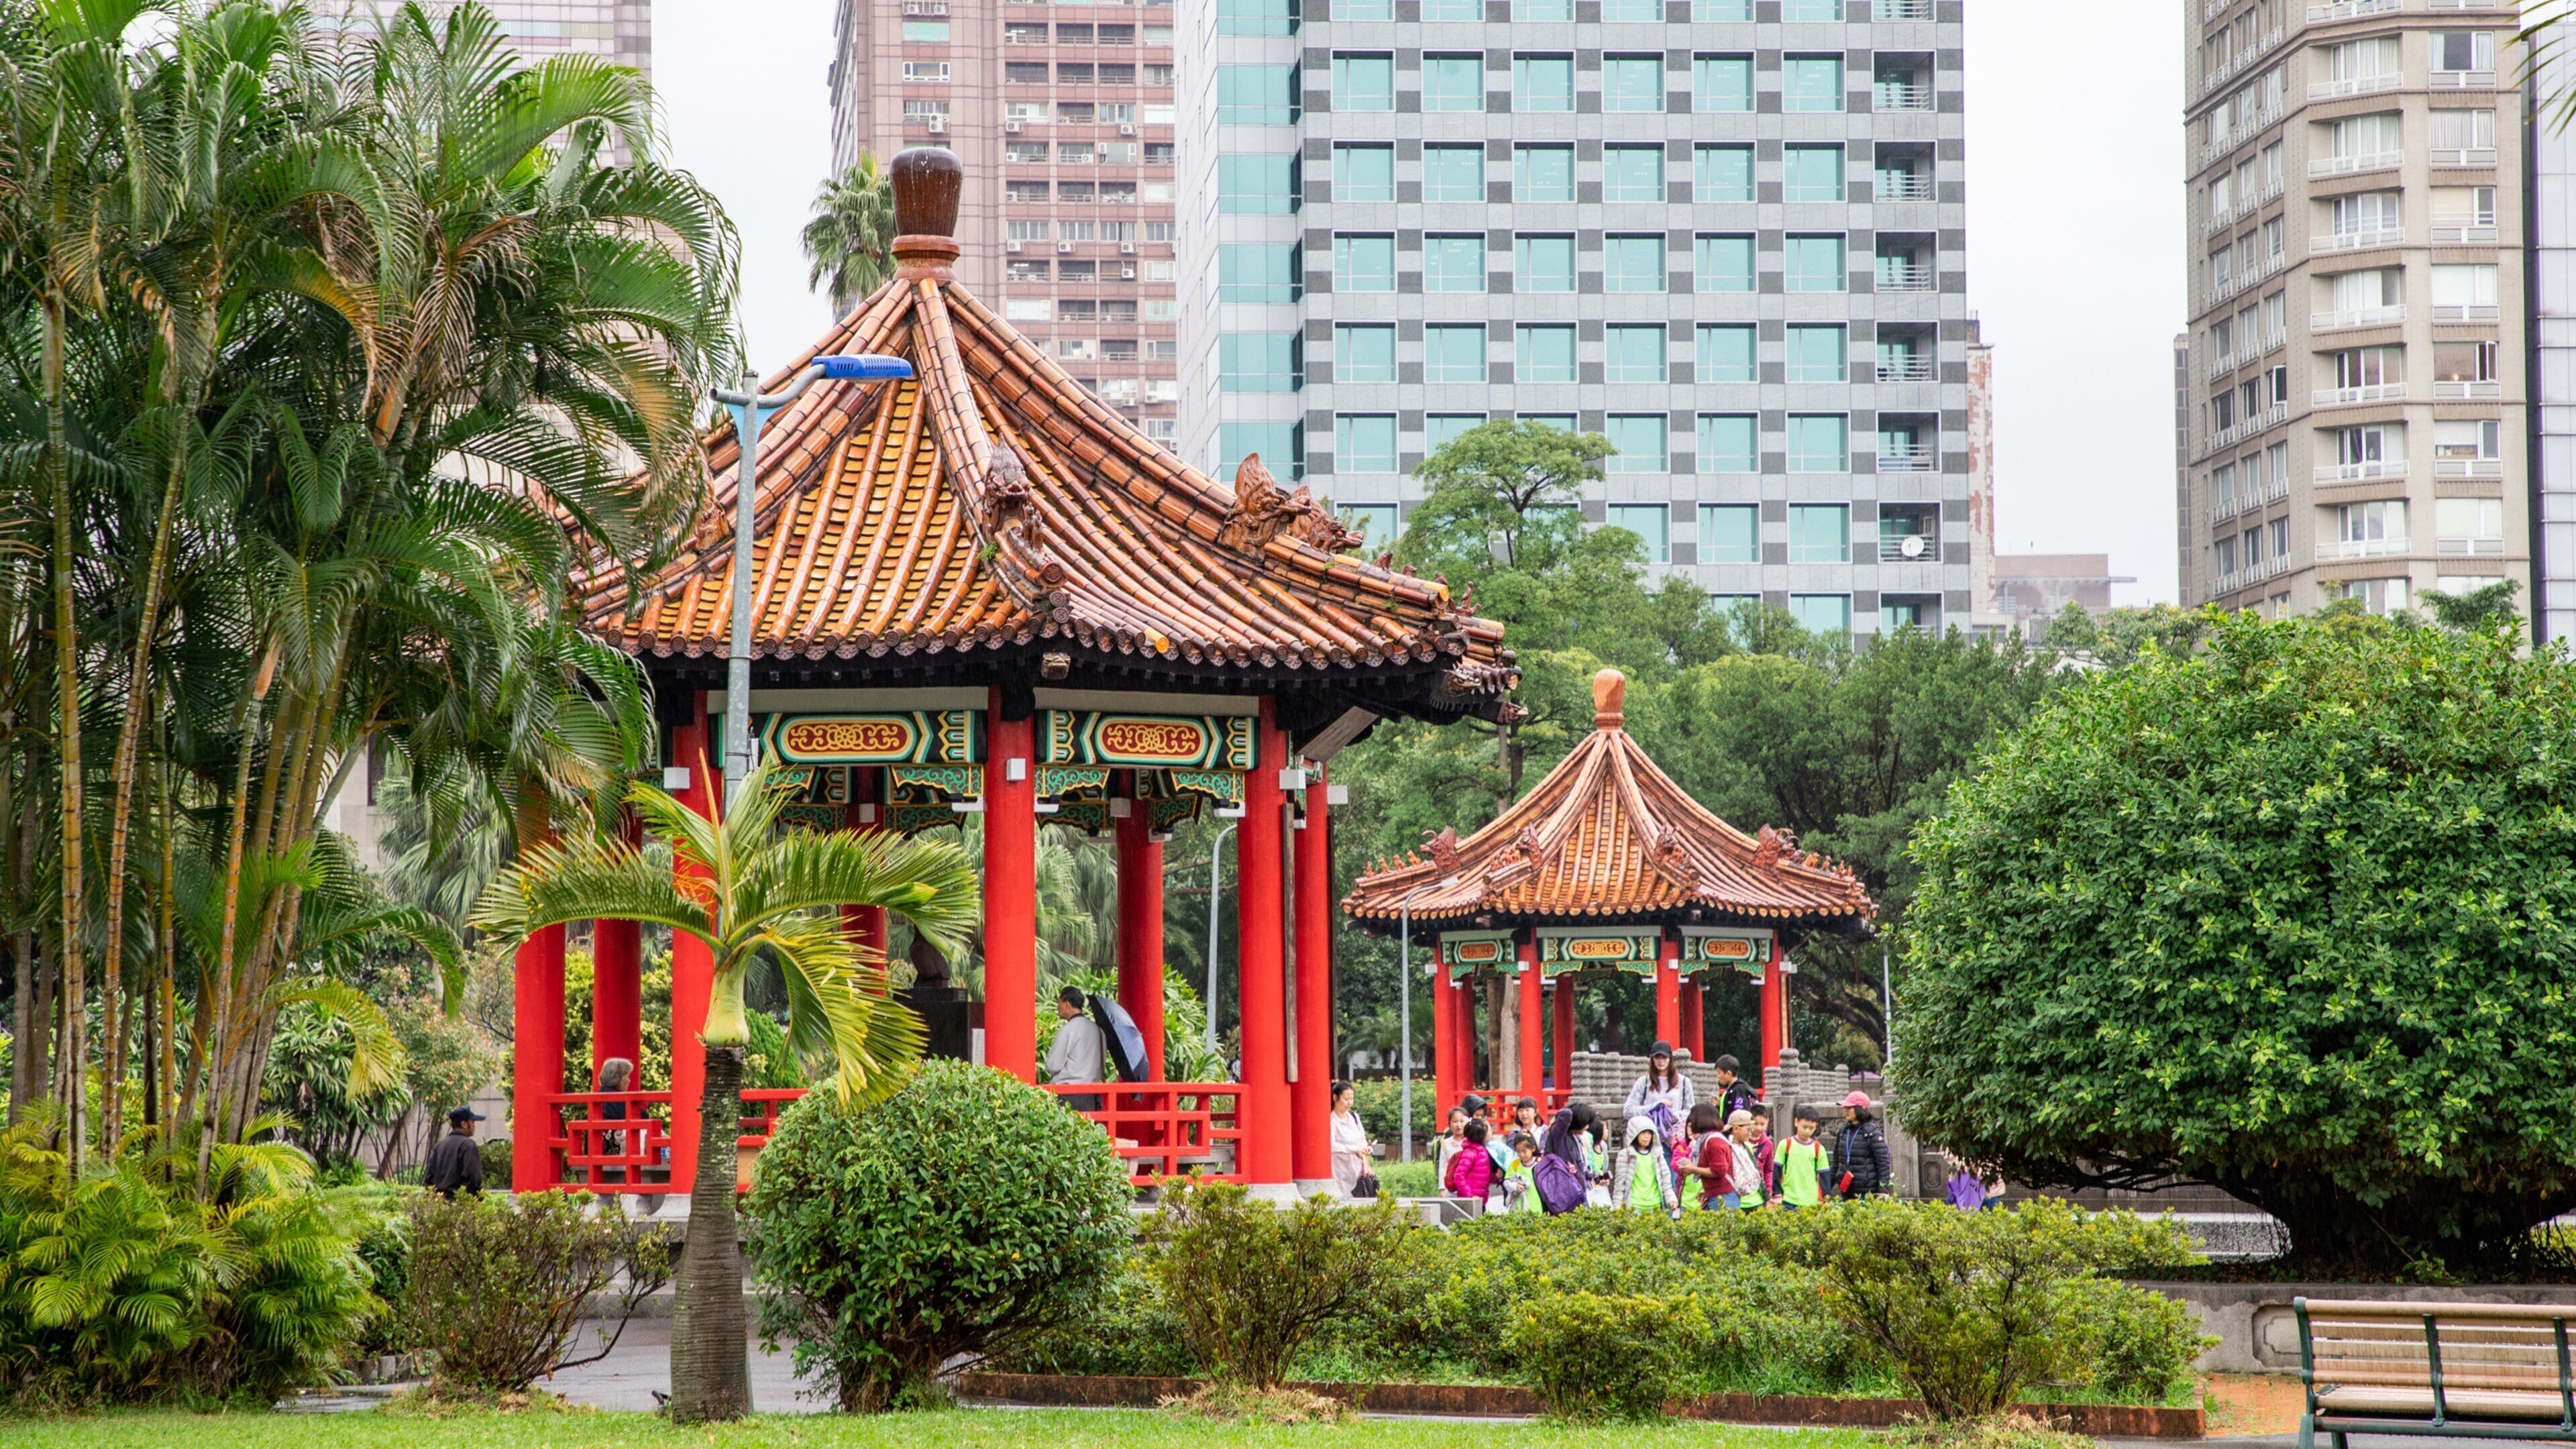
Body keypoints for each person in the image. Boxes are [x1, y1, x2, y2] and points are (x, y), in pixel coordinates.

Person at [1044, 985, 1107, 1112]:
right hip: (1091, 1096)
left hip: (1068, 1095)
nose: (1058, 1009)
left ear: (1067, 1004)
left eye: (1059, 1004)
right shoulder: (1100, 1031)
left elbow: (1053, 1066)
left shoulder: (1067, 1031)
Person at [1622, 1040, 1696, 1145]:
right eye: (1657, 1057)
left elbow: (1691, 1111)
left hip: (1675, 1141)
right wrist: (1656, 1106)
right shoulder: (1643, 1082)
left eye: (1664, 1058)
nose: (1661, 1061)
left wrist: (1672, 1116)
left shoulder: (1684, 1082)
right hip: (1649, 1140)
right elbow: (1628, 1111)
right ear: (1652, 1059)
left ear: (1670, 1059)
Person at [1611, 1115, 1680, 1217]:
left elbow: (1665, 1181)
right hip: (1635, 1206)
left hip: (1655, 1205)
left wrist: (1671, 1199)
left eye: (1649, 1133)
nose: (1647, 1137)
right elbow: (1620, 1184)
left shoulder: (1658, 1155)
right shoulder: (1626, 1155)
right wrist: (1617, 1208)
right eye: (1643, 1133)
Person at [1835, 1090, 1893, 1199]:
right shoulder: (1843, 1131)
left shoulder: (1872, 1132)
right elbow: (1836, 1162)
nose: (1846, 1110)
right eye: (1845, 1107)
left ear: (1860, 1109)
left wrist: (1883, 1190)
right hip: (1846, 1190)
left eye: (1850, 1107)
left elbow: (1883, 1163)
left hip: (1867, 1193)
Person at [1776, 1106, 1831, 1210]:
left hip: (1811, 1201)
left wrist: (1825, 1199)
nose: (1807, 1131)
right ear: (1796, 1122)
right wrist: (1777, 1194)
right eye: (1804, 1127)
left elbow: (1824, 1177)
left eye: (1811, 1128)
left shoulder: (1818, 1149)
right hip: (1788, 1199)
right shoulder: (1785, 1145)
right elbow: (1777, 1172)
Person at [1328, 1079, 1376, 1197]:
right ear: (1335, 1098)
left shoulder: (1354, 1117)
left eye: (1351, 1099)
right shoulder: (1332, 1120)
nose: (1349, 1103)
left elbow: (1362, 1139)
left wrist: (1367, 1148)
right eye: (1346, 1099)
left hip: (1359, 1170)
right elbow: (1331, 1145)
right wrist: (1354, 1150)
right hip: (1341, 1169)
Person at [424, 1106, 485, 1199]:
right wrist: (475, 1199)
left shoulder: (439, 1146)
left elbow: (429, 1178)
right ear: (464, 1124)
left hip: (438, 1205)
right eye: (473, 1122)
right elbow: (473, 1177)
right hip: (460, 1205)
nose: (474, 1126)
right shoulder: (468, 1146)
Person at [1678, 1101, 1727, 1209]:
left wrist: (1694, 1169)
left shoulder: (1713, 1141)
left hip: (1721, 1196)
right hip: (1714, 1193)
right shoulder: (1707, 1139)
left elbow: (1718, 1171)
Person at [593, 1057, 635, 1187]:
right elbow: (641, 1116)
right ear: (619, 1079)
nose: (629, 1080)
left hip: (596, 1148)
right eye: (627, 1077)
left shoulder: (597, 1095)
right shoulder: (619, 1099)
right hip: (614, 1147)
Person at [1445, 1118, 1497, 1205]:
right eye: (1489, 1129)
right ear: (1482, 1135)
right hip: (1470, 1202)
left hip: (1480, 1200)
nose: (1491, 1132)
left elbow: (1482, 1175)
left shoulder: (1482, 1151)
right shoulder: (1470, 1153)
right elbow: (1459, 1176)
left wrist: (1496, 1177)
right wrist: (1470, 1197)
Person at [1501, 1131, 1544, 1214]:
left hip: (1536, 1205)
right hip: (1518, 1207)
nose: (1522, 1155)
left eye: (1524, 1151)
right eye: (1518, 1152)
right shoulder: (1515, 1164)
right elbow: (1506, 1181)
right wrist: (1514, 1187)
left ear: (1533, 1149)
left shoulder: (1540, 1163)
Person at [1711, 1055, 1759, 1122]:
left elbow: (1740, 1117)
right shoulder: (1732, 1089)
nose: (1718, 1076)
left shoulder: (1739, 1089)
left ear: (1728, 1073)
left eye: (1719, 1073)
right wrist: (1720, 1104)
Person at [1434, 1104, 1470, 1185]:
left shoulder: (1471, 1142)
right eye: (1455, 1122)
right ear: (1449, 1124)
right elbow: (1443, 1166)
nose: (1458, 1125)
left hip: (1468, 1186)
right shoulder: (1445, 1143)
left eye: (1462, 1121)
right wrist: (1442, 1187)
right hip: (1451, 1187)